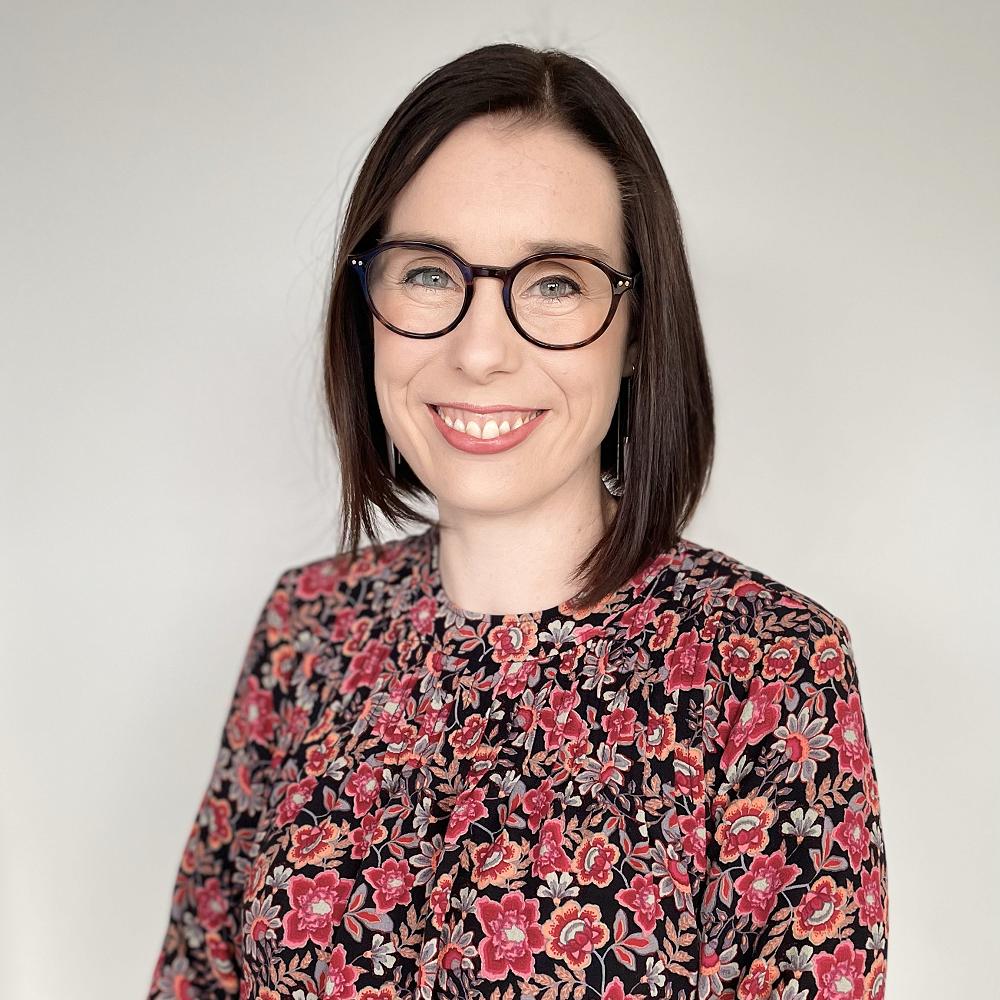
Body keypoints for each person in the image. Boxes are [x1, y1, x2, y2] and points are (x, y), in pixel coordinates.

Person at [147, 42, 888, 1000]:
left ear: (636, 330)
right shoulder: (306, 630)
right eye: (428, 274)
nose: (480, 351)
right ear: (366, 303)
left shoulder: (769, 666)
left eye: (554, 283)